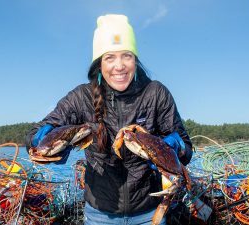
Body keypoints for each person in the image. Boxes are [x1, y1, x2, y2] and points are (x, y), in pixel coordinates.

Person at [26, 14, 192, 225]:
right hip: (99, 215)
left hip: (149, 212)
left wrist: (176, 148)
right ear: (99, 63)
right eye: (109, 57)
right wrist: (41, 141)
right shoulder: (81, 97)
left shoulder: (155, 93)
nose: (119, 66)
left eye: (126, 56)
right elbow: (35, 134)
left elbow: (186, 148)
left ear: (135, 59)